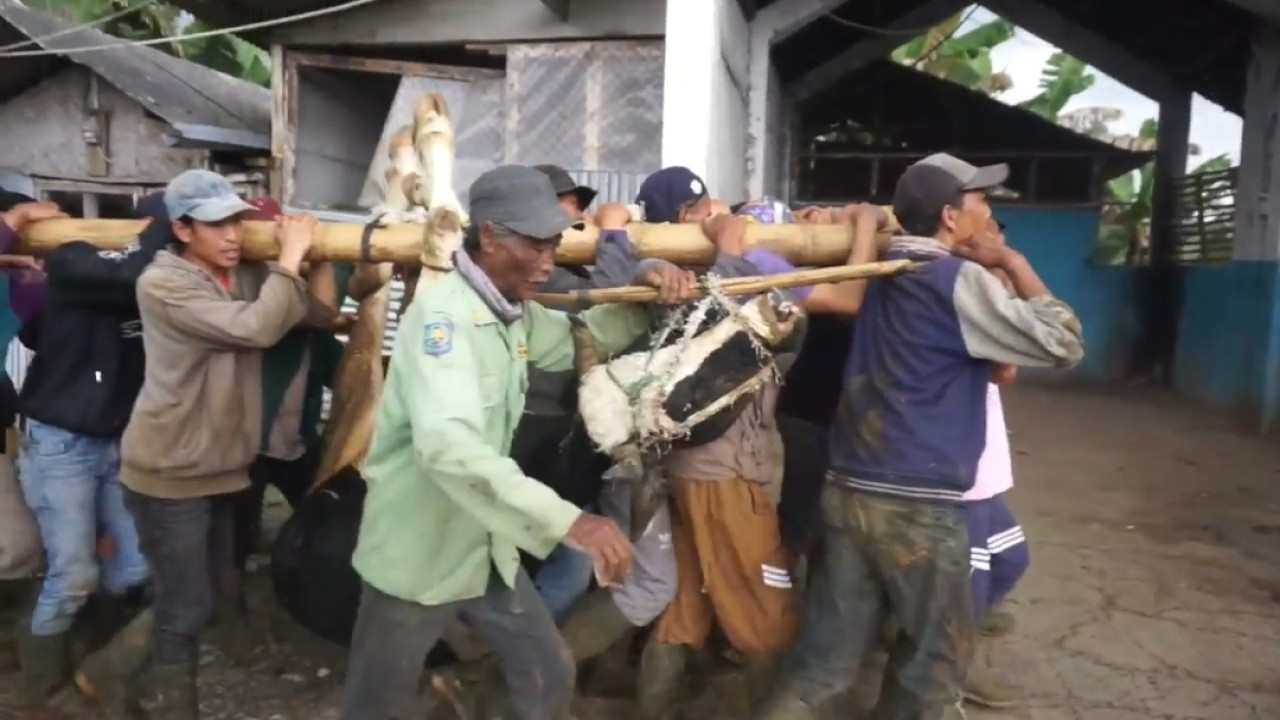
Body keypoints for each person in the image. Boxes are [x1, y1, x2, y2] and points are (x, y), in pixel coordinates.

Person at [338, 165, 694, 720]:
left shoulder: (511, 316)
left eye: (554, 244)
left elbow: (588, 336)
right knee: (374, 708)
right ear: (490, 237)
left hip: (482, 554)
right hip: (416, 560)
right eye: (537, 245)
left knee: (548, 671)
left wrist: (648, 287)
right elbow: (448, 447)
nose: (550, 261)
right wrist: (571, 521)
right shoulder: (444, 323)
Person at [755, 153, 1085, 720]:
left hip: (850, 487)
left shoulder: (876, 267)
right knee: (933, 667)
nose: (988, 214)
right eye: (981, 203)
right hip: (920, 505)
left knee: (824, 664)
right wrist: (1012, 258)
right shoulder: (958, 280)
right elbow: (1063, 343)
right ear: (951, 218)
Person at [632, 201, 887, 720]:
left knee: (684, 608)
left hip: (683, 466)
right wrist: (862, 227)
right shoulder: (762, 266)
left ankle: (652, 710)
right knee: (770, 610)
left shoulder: (698, 267)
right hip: (727, 475)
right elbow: (850, 294)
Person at [121, 169, 330, 719]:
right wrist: (289, 259)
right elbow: (258, 329)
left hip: (220, 466)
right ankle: (168, 704)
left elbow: (319, 315)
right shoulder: (164, 283)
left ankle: (112, 673)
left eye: (238, 220)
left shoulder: (246, 275)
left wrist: (320, 255)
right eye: (218, 225)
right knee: (186, 604)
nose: (234, 234)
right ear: (184, 230)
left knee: (203, 596)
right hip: (171, 470)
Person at [14, 192, 172, 713]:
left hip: (117, 438)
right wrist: (167, 227)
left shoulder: (161, 271)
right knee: (73, 574)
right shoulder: (73, 258)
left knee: (130, 571)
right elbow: (125, 277)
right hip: (63, 440)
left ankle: (95, 669)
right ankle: (43, 688)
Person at [226, 197, 350, 658]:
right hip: (246, 445)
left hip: (295, 444)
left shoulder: (307, 320)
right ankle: (232, 623)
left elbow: (327, 334)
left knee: (328, 513)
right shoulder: (245, 295)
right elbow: (303, 314)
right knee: (235, 537)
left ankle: (317, 594)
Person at [959, 218, 1030, 711]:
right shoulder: (962, 292)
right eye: (985, 225)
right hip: (965, 476)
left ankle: (936, 624)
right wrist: (1010, 270)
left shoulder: (977, 287)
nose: (996, 238)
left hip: (985, 473)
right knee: (970, 579)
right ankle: (955, 667)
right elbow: (1007, 367)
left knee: (1011, 557)